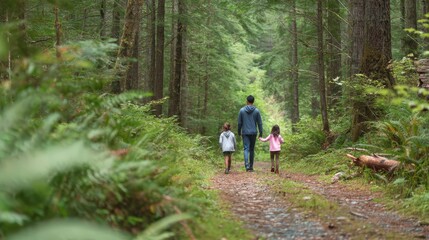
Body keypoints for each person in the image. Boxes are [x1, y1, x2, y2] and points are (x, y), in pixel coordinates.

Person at [237, 95, 263, 172]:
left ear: (247, 101)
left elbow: (239, 123)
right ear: (253, 101)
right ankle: (251, 166)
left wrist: (239, 132)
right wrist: (260, 133)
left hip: (245, 132)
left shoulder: (241, 110)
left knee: (246, 148)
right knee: (251, 149)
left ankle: (247, 166)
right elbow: (260, 123)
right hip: (253, 132)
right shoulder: (256, 111)